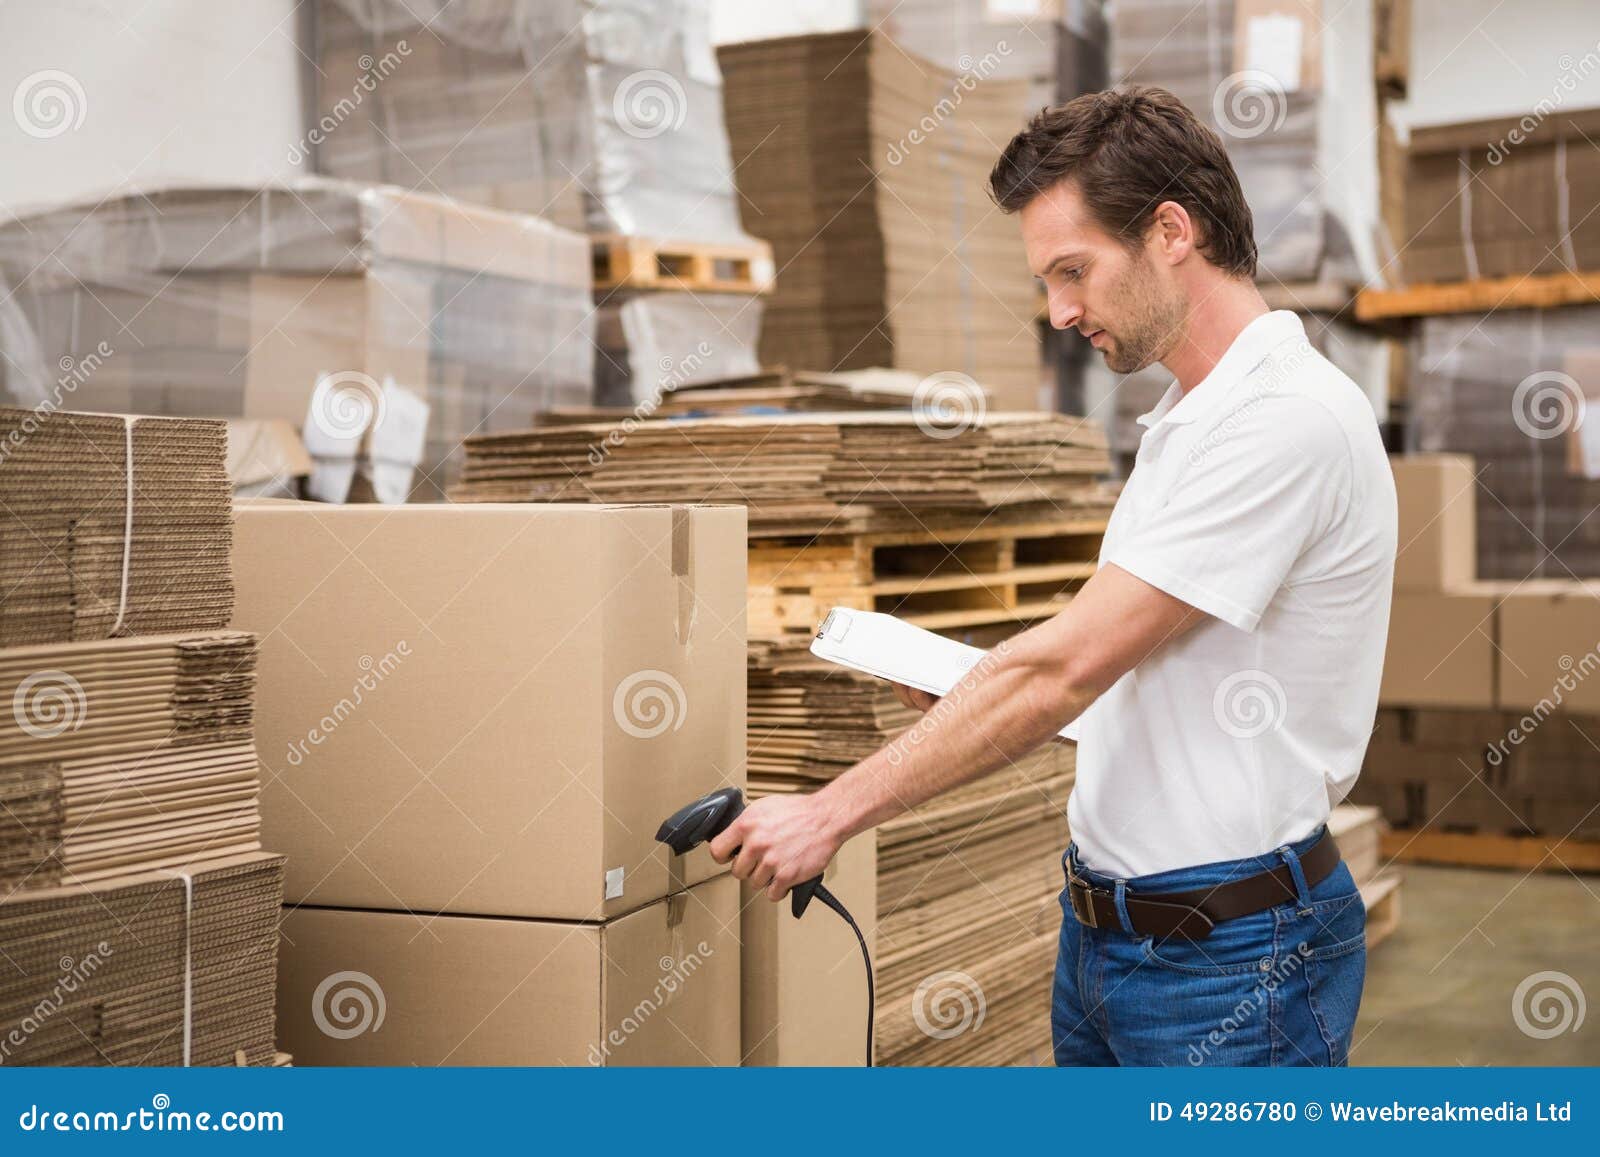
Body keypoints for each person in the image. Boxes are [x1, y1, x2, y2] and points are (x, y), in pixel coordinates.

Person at [710, 86, 1397, 1067]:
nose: (1060, 311)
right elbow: (1156, 672)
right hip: (1114, 937)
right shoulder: (1192, 420)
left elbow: (1067, 666)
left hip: (1232, 960)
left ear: (1171, 232)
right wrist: (972, 692)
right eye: (1048, 280)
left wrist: (828, 812)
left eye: (1074, 271)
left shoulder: (1284, 420)